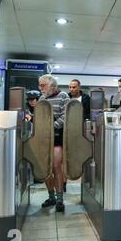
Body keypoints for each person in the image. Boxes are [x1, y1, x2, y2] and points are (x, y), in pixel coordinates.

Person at [38, 74, 70, 212]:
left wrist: (52, 126)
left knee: (56, 166)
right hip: (43, 137)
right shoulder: (41, 98)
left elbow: (66, 115)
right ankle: (51, 196)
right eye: (40, 85)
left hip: (57, 137)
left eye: (43, 85)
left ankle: (60, 198)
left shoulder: (63, 96)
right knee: (45, 168)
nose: (40, 88)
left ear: (53, 86)